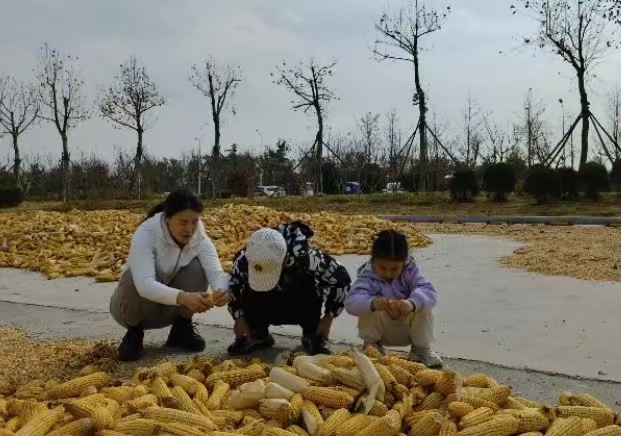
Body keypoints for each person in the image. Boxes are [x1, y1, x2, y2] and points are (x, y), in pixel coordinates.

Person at [109, 188, 230, 362]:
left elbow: (216, 272)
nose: (189, 229)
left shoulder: (198, 235)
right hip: (134, 311)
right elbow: (144, 284)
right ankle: (134, 335)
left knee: (198, 267)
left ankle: (181, 330)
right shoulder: (146, 233)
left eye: (194, 222)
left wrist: (222, 291)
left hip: (169, 311)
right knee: (132, 277)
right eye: (182, 222)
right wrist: (183, 297)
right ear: (167, 218)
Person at [226, 221, 352, 356]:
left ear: (285, 260)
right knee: (248, 290)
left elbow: (342, 279)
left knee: (308, 283)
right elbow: (233, 287)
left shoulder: (307, 259)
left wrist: (329, 316)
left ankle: (312, 333)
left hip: (299, 302)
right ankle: (257, 332)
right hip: (262, 303)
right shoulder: (245, 259)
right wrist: (239, 316)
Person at [344, 229, 443, 368]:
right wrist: (373, 303)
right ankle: (373, 347)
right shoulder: (367, 277)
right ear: (374, 261)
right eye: (382, 268)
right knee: (366, 306)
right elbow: (350, 302)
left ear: (403, 262)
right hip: (382, 331)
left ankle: (421, 350)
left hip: (408, 329)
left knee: (424, 305)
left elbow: (429, 292)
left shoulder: (411, 272)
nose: (388, 273)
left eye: (395, 269)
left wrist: (411, 303)